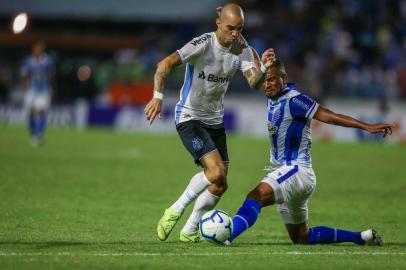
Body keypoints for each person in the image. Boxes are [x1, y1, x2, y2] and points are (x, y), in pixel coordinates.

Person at [144, 3, 275, 242]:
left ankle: (189, 230)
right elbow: (164, 65)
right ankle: (174, 210)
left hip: (215, 120)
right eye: (230, 28)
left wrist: (264, 67)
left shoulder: (243, 50)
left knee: (221, 184)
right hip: (189, 116)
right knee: (214, 172)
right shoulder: (203, 44)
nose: (235, 34)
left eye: (240, 29)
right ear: (218, 23)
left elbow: (254, 82)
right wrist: (157, 97)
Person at [227, 59, 393, 246]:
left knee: (255, 196)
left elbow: (330, 116)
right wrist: (260, 58)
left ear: (284, 78)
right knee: (301, 238)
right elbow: (254, 75)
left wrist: (368, 127)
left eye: (272, 79)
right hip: (296, 175)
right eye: (265, 80)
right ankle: (362, 237)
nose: (267, 84)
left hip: (296, 170)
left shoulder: (295, 100)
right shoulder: (272, 96)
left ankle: (227, 235)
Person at [20, 41, 55, 146]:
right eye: (36, 48)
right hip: (31, 90)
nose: (38, 50)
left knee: (41, 111)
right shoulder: (28, 61)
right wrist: (25, 86)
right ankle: (33, 134)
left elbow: (52, 75)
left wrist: (52, 88)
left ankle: (39, 135)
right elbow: (24, 75)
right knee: (30, 112)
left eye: (40, 48)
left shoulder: (48, 61)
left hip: (44, 90)